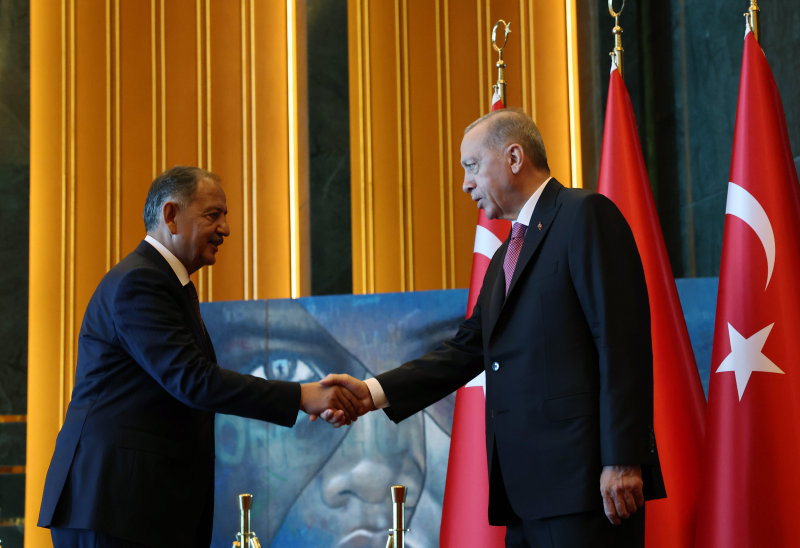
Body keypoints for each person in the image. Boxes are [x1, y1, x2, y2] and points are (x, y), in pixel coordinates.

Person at [320, 109, 666, 547]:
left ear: (514, 157)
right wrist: (370, 393)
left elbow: (621, 343)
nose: (465, 184)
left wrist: (622, 458)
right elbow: (465, 351)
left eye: (472, 166)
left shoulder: (585, 215)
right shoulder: (506, 255)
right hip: (523, 496)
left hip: (585, 488)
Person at [37, 166, 363, 548]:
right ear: (171, 216)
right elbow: (194, 380)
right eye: (213, 215)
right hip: (111, 507)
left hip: (137, 510)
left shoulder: (164, 283)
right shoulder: (139, 282)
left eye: (225, 215)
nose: (226, 228)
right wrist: (302, 395)